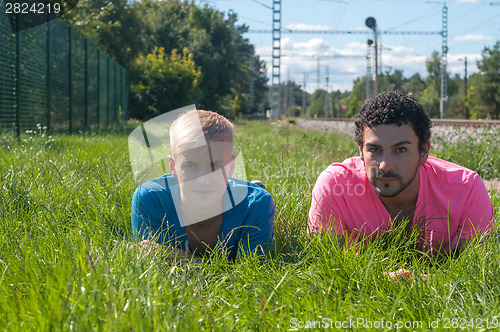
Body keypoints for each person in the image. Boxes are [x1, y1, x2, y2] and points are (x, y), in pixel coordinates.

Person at [308, 91, 495, 260]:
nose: (385, 165)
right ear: (361, 151)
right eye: (374, 149)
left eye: (400, 150)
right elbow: (325, 265)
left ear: (423, 151)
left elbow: (478, 270)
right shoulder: (335, 186)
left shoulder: (466, 189)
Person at [131, 109, 274, 260]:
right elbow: (154, 264)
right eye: (190, 166)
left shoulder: (257, 204)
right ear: (173, 167)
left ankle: (253, 187)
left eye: (216, 167)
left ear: (232, 168)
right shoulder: (150, 199)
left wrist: (182, 259)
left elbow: (249, 276)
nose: (203, 180)